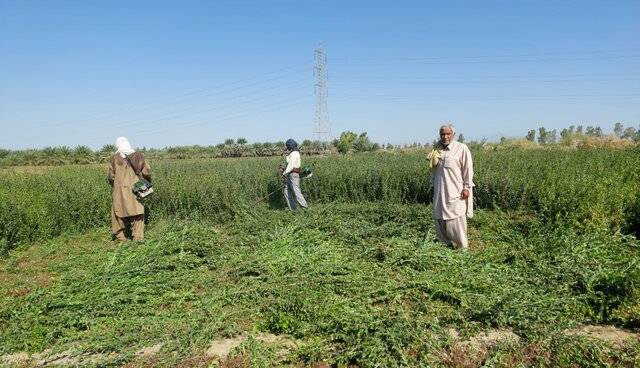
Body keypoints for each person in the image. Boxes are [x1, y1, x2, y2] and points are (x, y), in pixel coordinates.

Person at [427, 124, 474, 250]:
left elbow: (468, 170)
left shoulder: (461, 148)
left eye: (448, 134)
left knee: (456, 218)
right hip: (439, 192)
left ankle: (461, 248)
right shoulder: (436, 150)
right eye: (442, 134)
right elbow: (433, 171)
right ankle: (445, 246)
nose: (445, 136)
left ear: (453, 134)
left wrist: (467, 187)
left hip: (455, 191)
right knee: (439, 218)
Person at [107, 137, 152, 241]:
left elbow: (110, 176)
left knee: (117, 212)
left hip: (119, 189)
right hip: (136, 188)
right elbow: (147, 172)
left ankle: (120, 237)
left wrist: (115, 185)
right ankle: (138, 237)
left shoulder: (114, 158)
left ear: (118, 145)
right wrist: (147, 182)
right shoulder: (138, 156)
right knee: (137, 212)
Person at [282, 139, 308, 210]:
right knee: (286, 191)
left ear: (290, 146)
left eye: (287, 146)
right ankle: (293, 209)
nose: (287, 148)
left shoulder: (294, 153)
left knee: (296, 191)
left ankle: (305, 207)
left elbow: (291, 165)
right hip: (290, 174)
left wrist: (284, 173)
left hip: (293, 174)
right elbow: (289, 164)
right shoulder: (292, 153)